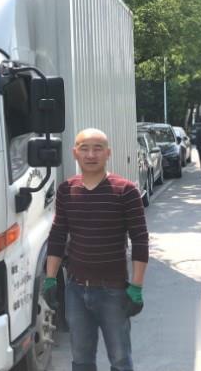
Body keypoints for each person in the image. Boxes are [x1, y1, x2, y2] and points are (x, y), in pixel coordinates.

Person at [42, 128, 149, 371]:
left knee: (120, 360)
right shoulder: (66, 190)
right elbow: (57, 236)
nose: (91, 155)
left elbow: (140, 240)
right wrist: (50, 278)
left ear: (108, 153)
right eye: (84, 149)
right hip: (76, 291)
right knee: (81, 360)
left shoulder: (125, 190)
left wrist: (136, 287)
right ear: (75, 153)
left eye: (97, 149)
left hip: (114, 291)